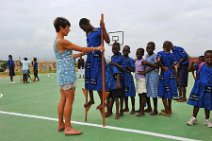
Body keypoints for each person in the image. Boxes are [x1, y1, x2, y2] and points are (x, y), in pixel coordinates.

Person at [53, 17, 103, 135]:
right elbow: (80, 47)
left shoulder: (57, 41)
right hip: (67, 74)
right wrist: (97, 48)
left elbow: (67, 56)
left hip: (62, 73)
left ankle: (61, 124)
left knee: (63, 99)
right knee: (69, 100)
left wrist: (80, 54)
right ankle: (68, 128)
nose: (69, 30)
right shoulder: (62, 41)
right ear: (61, 27)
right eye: (68, 27)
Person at [79, 18, 110, 109]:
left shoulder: (99, 30)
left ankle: (103, 102)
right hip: (89, 58)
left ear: (88, 23)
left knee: (98, 80)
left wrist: (103, 28)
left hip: (97, 59)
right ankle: (91, 99)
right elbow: (89, 46)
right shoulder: (87, 33)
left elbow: (107, 41)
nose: (84, 30)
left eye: (84, 28)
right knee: (88, 79)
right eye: (82, 29)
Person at [186, 50, 212, 128]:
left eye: (211, 57)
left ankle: (207, 120)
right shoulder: (200, 65)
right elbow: (189, 70)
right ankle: (194, 118)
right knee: (196, 104)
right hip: (199, 88)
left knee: (208, 104)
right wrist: (191, 62)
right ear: (204, 58)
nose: (209, 59)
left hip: (209, 89)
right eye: (207, 57)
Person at [157, 41, 178, 116]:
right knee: (170, 92)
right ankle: (169, 109)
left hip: (164, 74)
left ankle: (166, 111)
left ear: (163, 47)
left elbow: (158, 60)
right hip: (171, 74)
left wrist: (162, 67)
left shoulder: (160, 53)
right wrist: (176, 77)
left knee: (163, 93)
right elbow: (174, 66)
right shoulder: (172, 55)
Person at [105, 42, 124, 119]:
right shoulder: (111, 58)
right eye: (113, 49)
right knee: (110, 97)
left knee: (119, 97)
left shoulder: (121, 58)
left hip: (119, 79)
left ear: (119, 49)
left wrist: (114, 63)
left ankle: (119, 112)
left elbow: (122, 68)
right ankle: (109, 111)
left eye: (115, 49)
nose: (114, 50)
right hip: (111, 81)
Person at [143, 42, 159, 115]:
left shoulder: (155, 56)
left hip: (153, 76)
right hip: (147, 76)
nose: (148, 49)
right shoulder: (146, 56)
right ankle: (149, 107)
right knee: (147, 92)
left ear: (153, 49)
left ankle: (155, 110)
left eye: (150, 48)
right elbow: (146, 65)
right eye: (147, 48)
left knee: (153, 92)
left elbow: (156, 66)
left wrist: (146, 64)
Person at [121, 45, 136, 115]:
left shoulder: (131, 60)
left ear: (129, 51)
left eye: (126, 50)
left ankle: (133, 108)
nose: (124, 52)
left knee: (131, 93)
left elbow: (134, 70)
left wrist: (128, 68)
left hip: (128, 77)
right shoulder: (120, 59)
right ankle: (126, 107)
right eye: (123, 50)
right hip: (122, 78)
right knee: (124, 93)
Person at [135, 48, 148, 116]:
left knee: (142, 95)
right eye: (137, 53)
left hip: (141, 79)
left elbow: (151, 67)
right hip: (137, 79)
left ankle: (142, 112)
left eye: (140, 53)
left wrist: (144, 72)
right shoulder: (136, 60)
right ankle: (141, 109)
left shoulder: (143, 61)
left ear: (143, 54)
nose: (138, 55)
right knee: (140, 95)